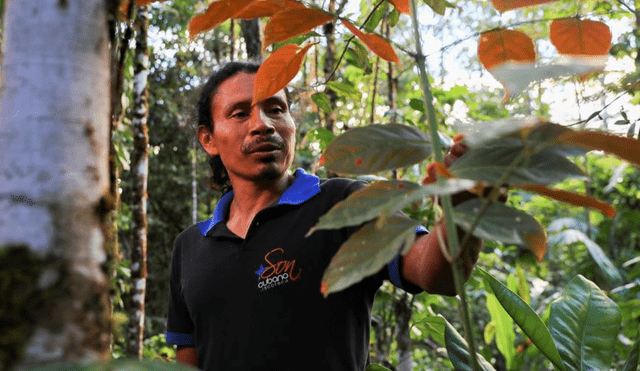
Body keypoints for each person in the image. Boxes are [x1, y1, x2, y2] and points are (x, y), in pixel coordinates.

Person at [165, 61, 481, 371]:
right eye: (240, 113)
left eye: (276, 109)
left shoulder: (345, 202)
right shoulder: (189, 247)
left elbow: (436, 271)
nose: (263, 124)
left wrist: (463, 210)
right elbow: (189, 359)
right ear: (208, 139)